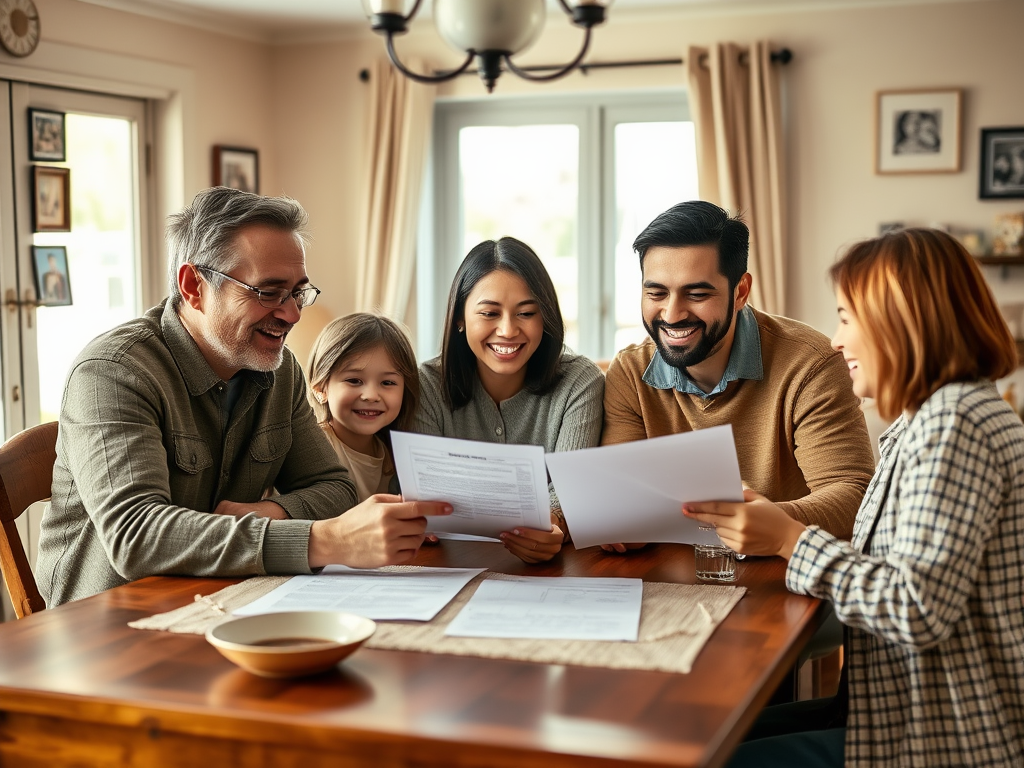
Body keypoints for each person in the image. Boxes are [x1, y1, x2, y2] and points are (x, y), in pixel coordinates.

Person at [687, 228, 1024, 767]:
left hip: (939, 741)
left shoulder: (954, 425)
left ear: (903, 322)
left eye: (846, 316)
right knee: (700, 736)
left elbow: (916, 609)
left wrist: (791, 540)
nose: (836, 339)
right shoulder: (929, 422)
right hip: (894, 711)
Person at [37, 187, 449, 607]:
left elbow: (334, 489)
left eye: (297, 293)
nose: (292, 314)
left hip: (228, 604)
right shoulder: (114, 372)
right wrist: (322, 540)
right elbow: (137, 535)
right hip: (108, 629)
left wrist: (270, 513)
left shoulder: (279, 369)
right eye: (268, 293)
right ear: (193, 286)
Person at [601, 201, 874, 551]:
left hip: (785, 580)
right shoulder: (630, 372)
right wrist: (625, 527)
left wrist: (771, 526)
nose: (671, 314)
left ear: (741, 291)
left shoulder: (811, 364)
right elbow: (621, 497)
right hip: (670, 579)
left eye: (697, 294)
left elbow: (853, 494)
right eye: (656, 293)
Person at [412, 237, 605, 563]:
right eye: (489, 313)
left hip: (551, 569)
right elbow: (426, 493)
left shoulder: (579, 382)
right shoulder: (425, 385)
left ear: (545, 318)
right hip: (448, 565)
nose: (508, 330)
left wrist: (552, 522)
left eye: (526, 313)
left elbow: (571, 490)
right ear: (460, 317)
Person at [306, 312, 418, 502]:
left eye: (388, 383)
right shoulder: (312, 449)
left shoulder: (396, 455)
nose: (371, 396)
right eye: (354, 380)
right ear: (320, 389)